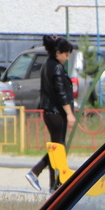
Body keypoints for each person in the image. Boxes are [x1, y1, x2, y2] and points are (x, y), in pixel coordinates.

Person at [24, 34, 76, 192]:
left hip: (48, 112)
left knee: (57, 148)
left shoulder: (47, 64)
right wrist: (69, 114)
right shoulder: (58, 68)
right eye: (66, 55)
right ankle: (36, 172)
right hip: (57, 113)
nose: (67, 58)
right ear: (58, 52)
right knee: (58, 149)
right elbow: (61, 93)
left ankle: (55, 184)